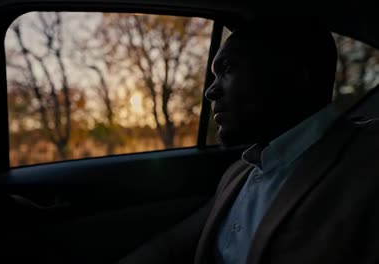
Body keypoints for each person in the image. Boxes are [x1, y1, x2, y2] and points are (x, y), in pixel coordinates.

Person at [117, 16, 379, 264]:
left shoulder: (367, 166)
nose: (210, 91)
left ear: (295, 74)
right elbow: (174, 243)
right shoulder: (242, 171)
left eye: (228, 69)